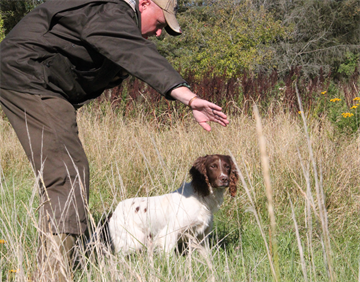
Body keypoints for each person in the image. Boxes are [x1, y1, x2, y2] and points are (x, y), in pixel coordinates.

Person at [0, 0, 229, 280]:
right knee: (68, 174)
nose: (159, 34)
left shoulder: (109, 19)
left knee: (69, 171)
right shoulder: (110, 11)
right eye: (159, 24)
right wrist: (187, 96)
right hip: (30, 78)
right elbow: (135, 53)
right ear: (144, 3)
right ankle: (52, 274)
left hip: (41, 83)